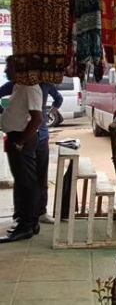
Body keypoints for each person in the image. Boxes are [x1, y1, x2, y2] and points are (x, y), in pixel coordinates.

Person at [0, 77, 62, 226]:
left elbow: (58, 98)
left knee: (41, 176)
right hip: (24, 134)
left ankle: (40, 212)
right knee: (22, 178)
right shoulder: (17, 84)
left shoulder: (46, 84)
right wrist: (5, 113)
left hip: (41, 136)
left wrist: (50, 112)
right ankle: (20, 214)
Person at [0, 58, 44, 243]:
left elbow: (37, 119)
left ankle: (27, 225)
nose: (6, 71)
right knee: (22, 182)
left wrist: (20, 143)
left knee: (27, 183)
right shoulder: (19, 86)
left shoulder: (30, 87)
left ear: (19, 68)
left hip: (22, 139)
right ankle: (26, 222)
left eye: (9, 67)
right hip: (15, 137)